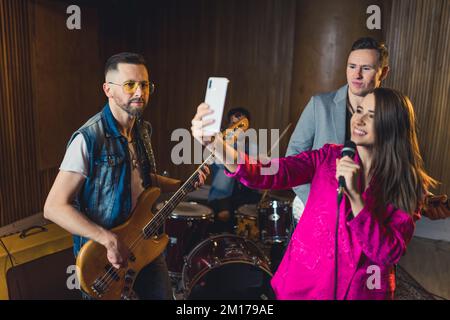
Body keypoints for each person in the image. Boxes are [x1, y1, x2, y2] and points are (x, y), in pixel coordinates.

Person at [191, 87, 436, 299]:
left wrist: (357, 199)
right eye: (359, 110)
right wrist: (216, 145)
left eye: (371, 116)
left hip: (360, 291)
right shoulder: (329, 156)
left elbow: (387, 252)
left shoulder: (408, 184)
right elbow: (272, 171)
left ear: (392, 126)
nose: (358, 120)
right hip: (303, 283)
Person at [44, 52, 207, 300]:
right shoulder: (89, 138)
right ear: (108, 89)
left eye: (144, 85)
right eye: (130, 85)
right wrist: (107, 240)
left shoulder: (142, 129)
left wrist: (182, 184)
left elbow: (143, 180)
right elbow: (54, 207)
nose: (140, 93)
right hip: (105, 261)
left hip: (145, 245)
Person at [286, 37, 389, 225]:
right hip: (314, 211)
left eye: (366, 68)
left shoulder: (392, 113)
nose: (356, 75)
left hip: (363, 215)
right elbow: (293, 158)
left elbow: (399, 163)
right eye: (352, 66)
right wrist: (319, 203)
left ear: (383, 73)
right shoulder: (320, 105)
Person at [208, 107, 261, 233]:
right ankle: (222, 206)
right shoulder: (221, 143)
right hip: (224, 198)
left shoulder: (253, 147)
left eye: (241, 125)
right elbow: (222, 165)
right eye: (234, 124)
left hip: (246, 196)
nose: (238, 128)